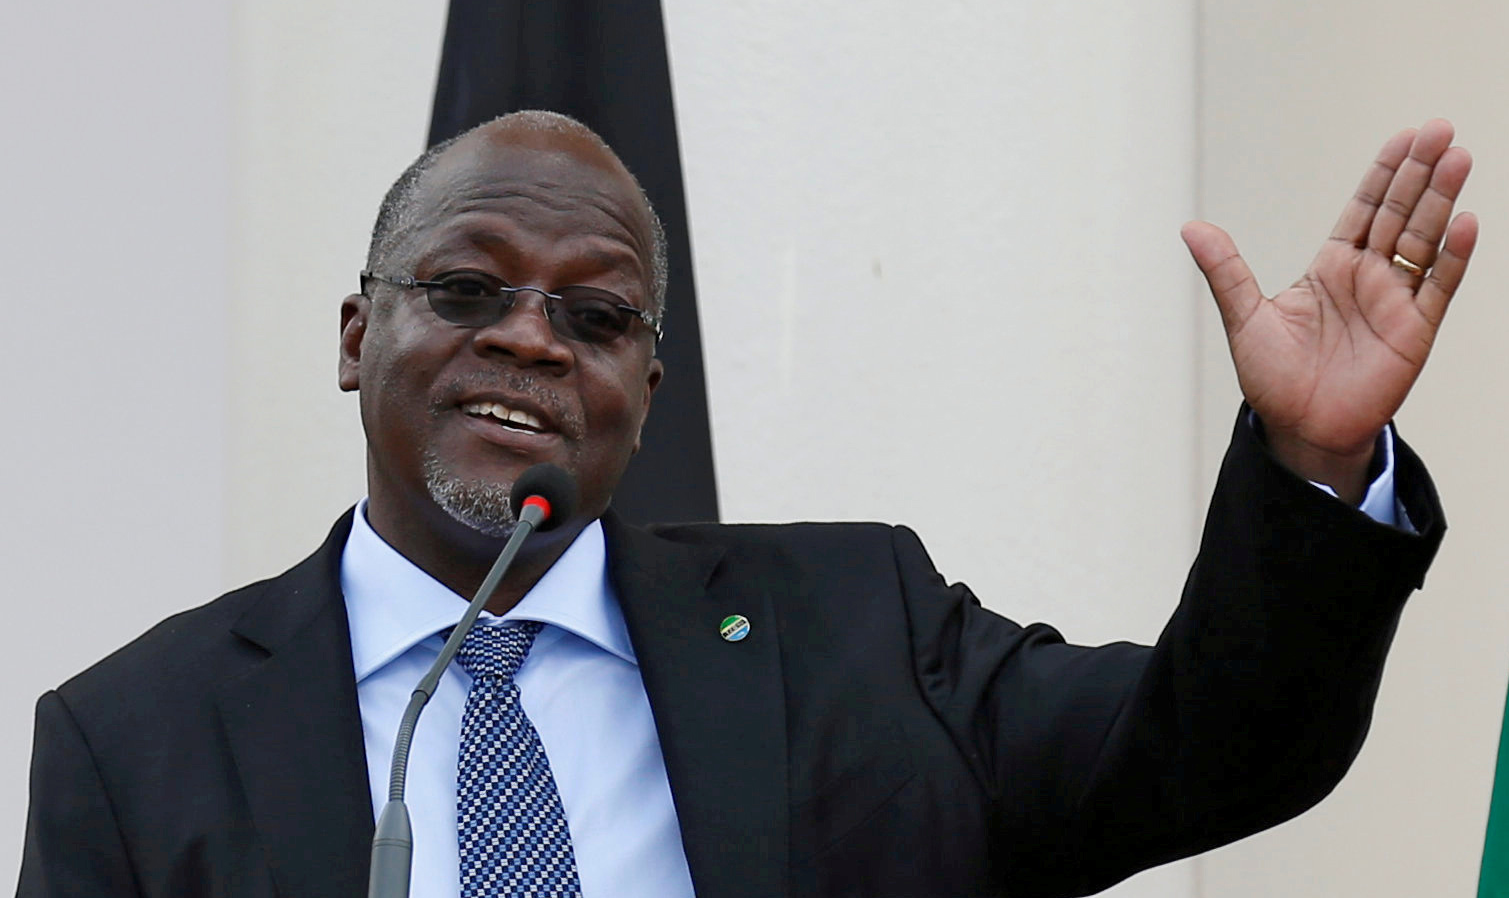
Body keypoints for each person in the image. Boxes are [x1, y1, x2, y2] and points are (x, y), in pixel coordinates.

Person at [17, 111, 1478, 898]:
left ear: (646, 388)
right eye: (467, 290)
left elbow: (1209, 750)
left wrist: (1310, 471)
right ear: (355, 336)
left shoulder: (856, 631)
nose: (530, 338)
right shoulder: (134, 739)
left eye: (594, 319)